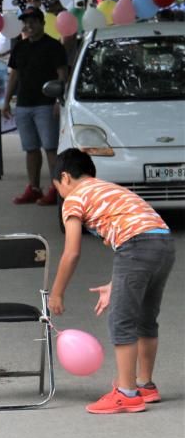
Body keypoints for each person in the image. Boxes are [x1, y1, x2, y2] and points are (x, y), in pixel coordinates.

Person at [48, 149, 175, 414]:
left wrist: (57, 292)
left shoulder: (74, 198)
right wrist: (115, 283)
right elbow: (137, 238)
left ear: (65, 177)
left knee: (121, 320)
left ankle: (127, 393)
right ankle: (145, 385)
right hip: (163, 241)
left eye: (57, 186)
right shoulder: (109, 190)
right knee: (145, 319)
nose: (60, 193)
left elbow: (72, 252)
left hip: (138, 245)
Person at [3, 7, 67, 206]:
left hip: (46, 105)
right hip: (23, 104)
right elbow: (14, 75)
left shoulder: (53, 46)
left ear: (42, 23)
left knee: (50, 148)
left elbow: (62, 74)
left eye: (33, 21)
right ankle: (34, 187)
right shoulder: (20, 47)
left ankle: (57, 190)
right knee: (30, 149)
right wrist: (6, 101)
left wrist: (59, 100)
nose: (29, 25)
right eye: (26, 22)